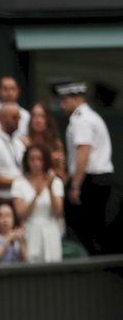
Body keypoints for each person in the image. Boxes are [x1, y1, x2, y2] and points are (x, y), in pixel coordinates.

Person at [56, 80, 116, 255]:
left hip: (90, 180)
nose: (62, 105)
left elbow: (83, 151)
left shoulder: (80, 120)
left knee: (85, 228)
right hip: (100, 179)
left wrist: (75, 185)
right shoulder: (92, 117)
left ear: (76, 99)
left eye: (65, 100)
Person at [12, 144, 63, 263]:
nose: (36, 163)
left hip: (51, 230)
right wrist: (36, 194)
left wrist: (49, 188)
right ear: (27, 161)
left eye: (40, 159)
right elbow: (21, 214)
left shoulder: (56, 182)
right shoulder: (18, 183)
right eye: (32, 159)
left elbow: (58, 211)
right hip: (30, 231)